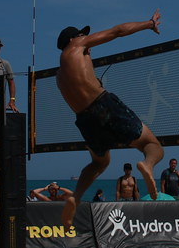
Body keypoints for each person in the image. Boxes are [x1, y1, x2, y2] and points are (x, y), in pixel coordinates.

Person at [56, 12, 165, 228]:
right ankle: (148, 165)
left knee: (99, 162)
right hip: (103, 104)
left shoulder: (59, 76)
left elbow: (80, 91)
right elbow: (118, 31)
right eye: (81, 34)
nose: (85, 38)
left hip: (84, 119)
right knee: (152, 145)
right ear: (72, 39)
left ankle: (76, 197)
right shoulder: (78, 45)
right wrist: (149, 24)